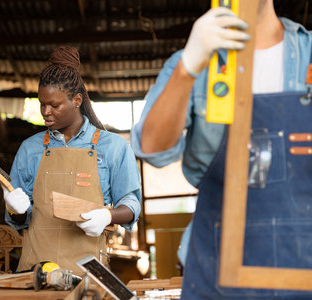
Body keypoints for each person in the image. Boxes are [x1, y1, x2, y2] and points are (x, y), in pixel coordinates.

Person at [132, 1, 311, 299]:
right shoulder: (192, 62)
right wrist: (188, 68)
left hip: (302, 266)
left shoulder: (307, 56)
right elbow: (152, 150)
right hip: (215, 267)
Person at [4, 46, 141, 274]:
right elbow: (20, 220)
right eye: (42, 104)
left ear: (77, 100)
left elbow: (131, 204)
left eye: (54, 105)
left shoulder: (112, 147)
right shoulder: (30, 149)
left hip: (88, 272)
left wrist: (108, 215)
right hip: (35, 273)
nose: (45, 111)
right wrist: (14, 209)